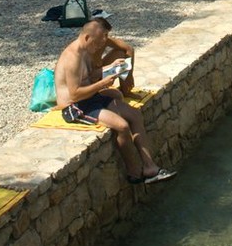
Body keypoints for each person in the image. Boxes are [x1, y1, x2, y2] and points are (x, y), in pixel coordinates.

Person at [54, 16, 175, 183]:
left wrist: (111, 68)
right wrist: (102, 84)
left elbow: (90, 76)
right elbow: (75, 94)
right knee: (122, 125)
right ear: (87, 37)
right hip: (75, 106)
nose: (100, 47)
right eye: (97, 42)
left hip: (90, 98)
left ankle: (150, 166)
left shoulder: (87, 50)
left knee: (134, 115)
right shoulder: (73, 57)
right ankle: (134, 173)